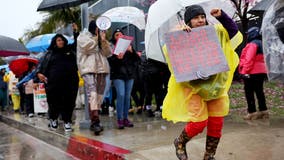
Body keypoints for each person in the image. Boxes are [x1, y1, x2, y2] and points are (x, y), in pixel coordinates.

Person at [161, 5, 243, 160]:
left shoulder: (215, 31)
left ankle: (209, 155)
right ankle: (179, 142)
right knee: (199, 123)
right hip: (193, 87)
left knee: (216, 122)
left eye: (202, 17)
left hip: (216, 86)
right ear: (188, 21)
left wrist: (222, 16)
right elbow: (169, 51)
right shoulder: (181, 34)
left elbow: (232, 33)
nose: (200, 20)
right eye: (196, 18)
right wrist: (177, 33)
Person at [35, 24, 79, 132]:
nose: (61, 42)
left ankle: (67, 122)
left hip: (70, 82)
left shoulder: (70, 50)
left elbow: (77, 43)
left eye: (62, 40)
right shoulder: (48, 54)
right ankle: (53, 120)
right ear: (55, 42)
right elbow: (40, 67)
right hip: (54, 84)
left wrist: (76, 32)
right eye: (58, 40)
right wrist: (38, 74)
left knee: (69, 102)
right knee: (54, 102)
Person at [77, 20, 112, 135]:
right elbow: (87, 48)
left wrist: (103, 40)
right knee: (92, 94)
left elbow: (108, 53)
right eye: (98, 27)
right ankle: (95, 122)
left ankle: (95, 120)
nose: (99, 30)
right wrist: (97, 38)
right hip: (88, 69)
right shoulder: (83, 36)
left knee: (99, 96)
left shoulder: (100, 38)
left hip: (102, 69)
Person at [108, 28, 140, 129]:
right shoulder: (111, 46)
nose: (119, 37)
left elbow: (137, 59)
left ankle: (126, 118)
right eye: (116, 35)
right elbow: (110, 61)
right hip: (118, 75)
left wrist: (131, 51)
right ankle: (120, 119)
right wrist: (117, 58)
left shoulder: (128, 45)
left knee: (127, 96)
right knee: (121, 95)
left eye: (120, 35)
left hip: (129, 75)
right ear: (114, 37)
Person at [239, 26, 268, 120]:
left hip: (252, 71)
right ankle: (263, 111)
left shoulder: (252, 44)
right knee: (259, 91)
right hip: (262, 71)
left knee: (249, 92)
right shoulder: (262, 43)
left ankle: (252, 112)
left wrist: (245, 71)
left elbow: (249, 59)